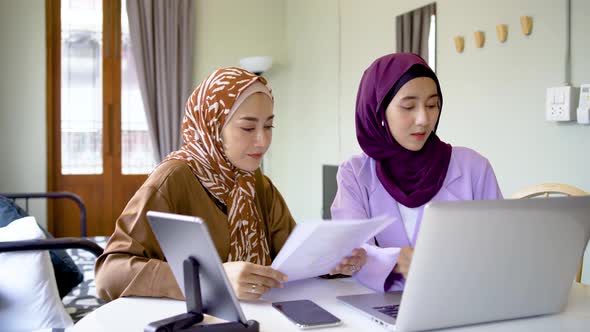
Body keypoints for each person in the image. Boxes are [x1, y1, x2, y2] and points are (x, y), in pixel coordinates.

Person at [95, 67, 364, 302]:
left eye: (269, 126)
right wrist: (212, 279)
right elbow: (110, 274)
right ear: (213, 127)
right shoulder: (172, 180)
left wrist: (331, 261)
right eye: (248, 128)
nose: (262, 141)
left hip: (259, 317)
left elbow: (290, 255)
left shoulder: (256, 183)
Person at [331, 53, 503, 292]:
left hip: (462, 297)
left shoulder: (473, 167)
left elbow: (499, 246)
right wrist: (397, 259)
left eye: (432, 105)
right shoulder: (355, 173)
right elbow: (354, 250)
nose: (423, 119)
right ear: (379, 110)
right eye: (409, 106)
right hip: (382, 305)